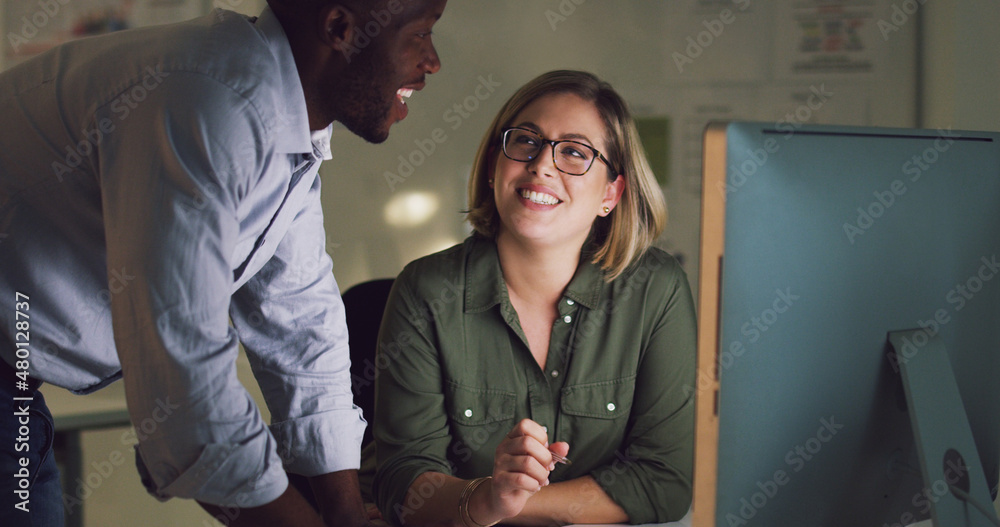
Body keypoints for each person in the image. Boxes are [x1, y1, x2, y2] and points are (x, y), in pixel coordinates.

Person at [0, 0, 447, 526]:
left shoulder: (275, 113)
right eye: (420, 34)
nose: (433, 61)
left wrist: (346, 515)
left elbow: (300, 324)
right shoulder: (211, 103)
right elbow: (186, 389)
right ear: (341, 28)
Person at [371, 70, 695, 526]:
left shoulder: (656, 290)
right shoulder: (426, 290)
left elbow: (665, 484)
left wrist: (500, 503)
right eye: (526, 141)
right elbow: (403, 480)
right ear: (492, 165)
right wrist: (486, 499)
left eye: (575, 153)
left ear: (611, 193)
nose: (542, 165)